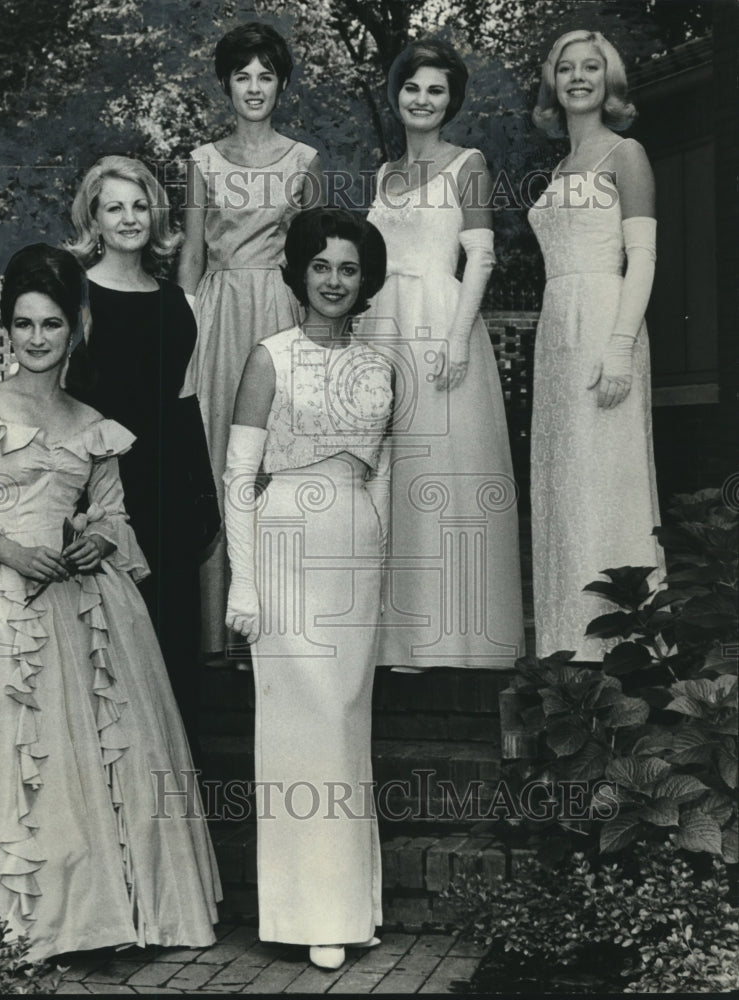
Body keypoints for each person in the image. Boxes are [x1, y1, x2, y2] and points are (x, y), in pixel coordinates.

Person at [0, 245, 221, 961]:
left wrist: (97, 539)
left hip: (78, 602)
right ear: (5, 329)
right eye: (23, 324)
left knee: (87, 757)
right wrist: (11, 550)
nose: (36, 339)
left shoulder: (93, 421)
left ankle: (90, 916)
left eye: (51, 325)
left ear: (75, 329)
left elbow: (114, 514)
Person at [224, 208, 392, 969]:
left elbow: (379, 475)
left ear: (365, 282)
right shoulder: (269, 358)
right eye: (321, 266)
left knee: (347, 726)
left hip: (353, 549)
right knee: (306, 731)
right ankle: (309, 914)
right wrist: (245, 583)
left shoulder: (382, 365)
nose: (333, 281)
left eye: (348, 269)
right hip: (286, 541)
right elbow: (236, 480)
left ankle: (355, 905)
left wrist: (378, 561)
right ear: (298, 273)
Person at [365, 39, 524, 670]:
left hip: (439, 324)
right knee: (390, 473)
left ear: (450, 100)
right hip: (382, 326)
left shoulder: (469, 164)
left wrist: (458, 339)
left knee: (444, 477)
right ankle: (395, 638)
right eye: (412, 88)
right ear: (397, 95)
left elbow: (480, 256)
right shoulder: (382, 174)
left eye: (435, 90)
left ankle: (455, 641)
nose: (422, 100)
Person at [178, 20, 323, 655]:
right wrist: (184, 332)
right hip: (218, 314)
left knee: (279, 459)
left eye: (267, 75)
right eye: (243, 76)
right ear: (226, 86)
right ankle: (215, 635)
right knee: (218, 462)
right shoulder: (203, 161)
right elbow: (190, 254)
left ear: (282, 85)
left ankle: (282, 631)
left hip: (282, 313)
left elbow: (319, 256)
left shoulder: (305, 161)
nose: (255, 87)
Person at [66, 154, 219, 752]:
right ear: (94, 219)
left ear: (154, 214)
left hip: (166, 494)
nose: (129, 218)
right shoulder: (75, 298)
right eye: (114, 208)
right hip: (99, 494)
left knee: (170, 639)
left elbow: (185, 405)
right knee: (102, 641)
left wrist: (203, 496)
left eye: (138, 206)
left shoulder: (177, 300)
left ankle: (176, 793)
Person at [528, 30, 664, 660]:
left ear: (609, 81)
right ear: (553, 82)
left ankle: (620, 652)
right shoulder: (559, 166)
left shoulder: (625, 154)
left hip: (606, 320)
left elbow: (643, 259)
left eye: (591, 67)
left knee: (605, 480)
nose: (577, 77)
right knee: (564, 483)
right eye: (566, 68)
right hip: (559, 328)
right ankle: (566, 647)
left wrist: (618, 346)